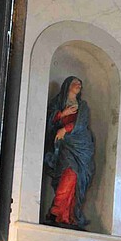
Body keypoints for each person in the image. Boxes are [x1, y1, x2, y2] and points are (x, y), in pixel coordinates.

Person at [44, 76, 96, 228]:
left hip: (81, 144)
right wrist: (62, 114)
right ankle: (57, 210)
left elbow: (82, 123)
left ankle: (65, 214)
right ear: (67, 86)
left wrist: (65, 128)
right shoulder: (58, 103)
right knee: (69, 172)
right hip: (65, 146)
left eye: (80, 83)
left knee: (77, 176)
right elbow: (48, 121)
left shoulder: (83, 105)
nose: (78, 85)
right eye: (75, 83)